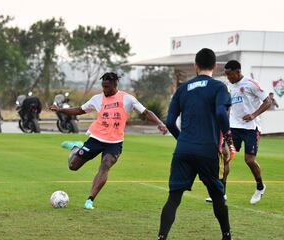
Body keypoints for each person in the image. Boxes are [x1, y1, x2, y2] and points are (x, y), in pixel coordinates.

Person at [50, 72, 167, 210]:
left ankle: (90, 200)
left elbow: (146, 112)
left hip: (115, 143)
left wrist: (160, 123)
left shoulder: (127, 99)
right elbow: (80, 110)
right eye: (103, 86)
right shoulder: (97, 99)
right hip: (96, 139)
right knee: (73, 166)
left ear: (115, 84)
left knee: (105, 165)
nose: (105, 90)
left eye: (108, 87)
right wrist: (61, 110)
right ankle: (77, 147)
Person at [158, 48, 235, 240]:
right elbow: (220, 113)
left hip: (183, 148)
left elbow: (169, 122)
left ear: (195, 66)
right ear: (215, 67)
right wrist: (228, 138)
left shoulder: (182, 89)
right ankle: (226, 236)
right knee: (217, 195)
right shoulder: (219, 87)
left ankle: (161, 237)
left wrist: (182, 139)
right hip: (207, 149)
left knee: (174, 197)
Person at [224, 60, 272, 204]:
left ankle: (260, 186)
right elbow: (228, 107)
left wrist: (253, 115)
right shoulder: (229, 86)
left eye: (229, 74)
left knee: (249, 160)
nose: (228, 77)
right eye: (226, 75)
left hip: (251, 128)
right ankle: (221, 193)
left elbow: (268, 101)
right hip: (234, 127)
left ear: (237, 72)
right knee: (225, 156)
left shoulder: (251, 83)